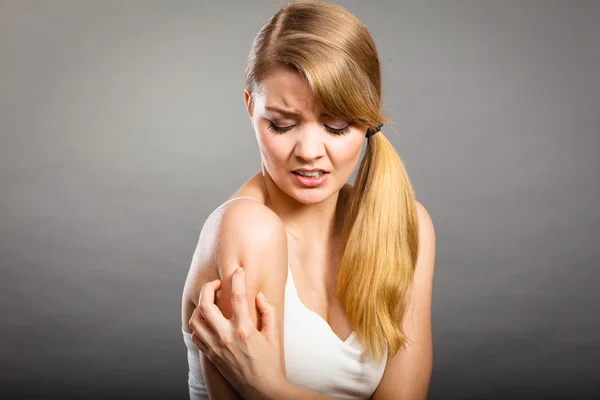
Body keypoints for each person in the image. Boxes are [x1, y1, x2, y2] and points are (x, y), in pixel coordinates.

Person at [181, 1, 436, 399]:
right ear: (251, 107)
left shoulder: (404, 225)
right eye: (282, 124)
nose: (309, 151)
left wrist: (268, 387)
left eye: (336, 126)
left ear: (368, 121)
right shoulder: (247, 229)